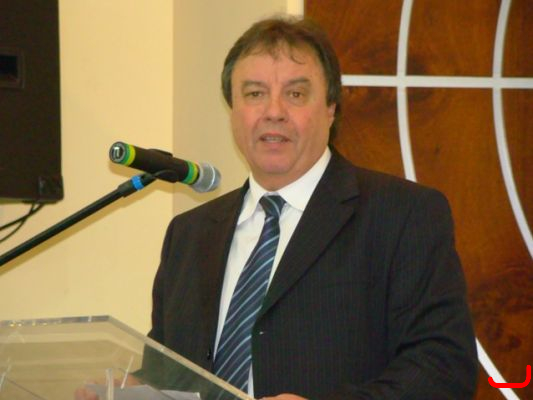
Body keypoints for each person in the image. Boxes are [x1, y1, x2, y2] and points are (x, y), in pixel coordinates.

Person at [148, 15, 478, 400]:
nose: (273, 112)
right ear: (233, 110)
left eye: (295, 94)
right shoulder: (188, 234)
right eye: (254, 94)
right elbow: (163, 372)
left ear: (331, 108)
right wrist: (120, 388)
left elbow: (443, 369)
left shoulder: (403, 215)